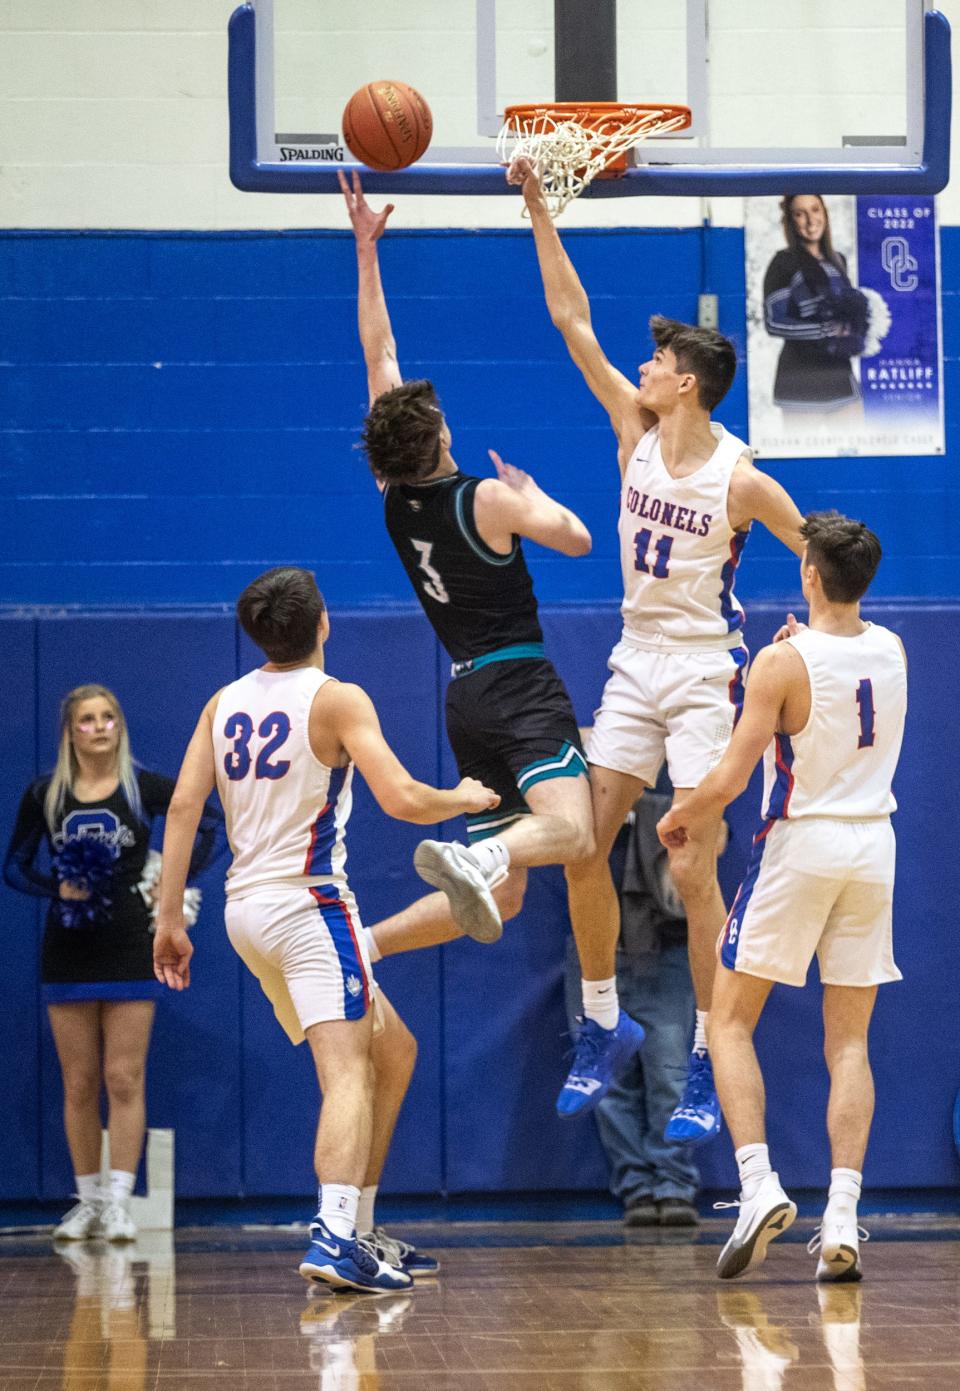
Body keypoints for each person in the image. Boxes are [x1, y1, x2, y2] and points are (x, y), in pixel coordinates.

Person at [507, 155, 806, 1145]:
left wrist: (815, 619)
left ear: (688, 382)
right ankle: (604, 1024)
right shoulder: (632, 428)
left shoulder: (742, 475)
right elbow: (570, 319)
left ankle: (715, 1062)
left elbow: (820, 549)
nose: (641, 368)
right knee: (578, 839)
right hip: (636, 662)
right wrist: (539, 204)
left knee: (690, 870)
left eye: (657, 361)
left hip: (706, 672)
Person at [340, 169, 644, 1118]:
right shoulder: (488, 497)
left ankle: (365, 944)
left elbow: (378, 355)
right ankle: (477, 860)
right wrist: (538, 493)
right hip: (518, 682)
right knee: (577, 831)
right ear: (439, 436)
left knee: (508, 897)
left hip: (462, 694)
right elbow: (583, 538)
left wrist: (366, 250)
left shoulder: (397, 502)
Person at [151, 566, 500, 1292]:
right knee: (347, 1072)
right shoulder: (337, 698)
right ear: (323, 623)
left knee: (392, 1047)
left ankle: (360, 1228)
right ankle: (335, 1234)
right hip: (310, 905)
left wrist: (167, 918)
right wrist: (461, 795)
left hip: (243, 910)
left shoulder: (224, 701)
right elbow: (403, 798)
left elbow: (183, 809)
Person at [658, 512, 906, 1282]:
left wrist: (678, 815)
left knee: (729, 1019)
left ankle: (759, 1182)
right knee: (850, 1041)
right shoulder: (893, 647)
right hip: (874, 846)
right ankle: (843, 1214)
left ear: (809, 574)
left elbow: (730, 777)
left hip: (801, 843)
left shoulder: (782, 664)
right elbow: (832, 680)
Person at [3, 684, 222, 1243]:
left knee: (123, 1075)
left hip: (130, 942)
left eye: (108, 718)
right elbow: (15, 865)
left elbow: (207, 820)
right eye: (86, 720)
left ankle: (120, 1202)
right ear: (70, 731)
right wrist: (60, 889)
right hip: (68, 946)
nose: (99, 727)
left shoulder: (140, 787)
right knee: (78, 1081)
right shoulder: (45, 794)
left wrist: (168, 885)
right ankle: (89, 1202)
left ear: (119, 726)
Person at [563, 776, 702, 1227]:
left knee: (671, 1073)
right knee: (607, 1081)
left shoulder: (686, 777)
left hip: (667, 946)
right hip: (597, 953)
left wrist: (649, 810)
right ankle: (636, 1186)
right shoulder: (578, 793)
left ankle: (674, 1183)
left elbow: (714, 840)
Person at [763, 194, 877, 416]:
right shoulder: (783, 262)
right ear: (790, 221)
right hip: (800, 378)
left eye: (815, 210)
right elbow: (774, 323)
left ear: (825, 213)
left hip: (840, 374)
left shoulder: (838, 259)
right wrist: (825, 330)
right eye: (799, 213)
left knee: (855, 447)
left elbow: (847, 311)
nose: (810, 220)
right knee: (803, 449)